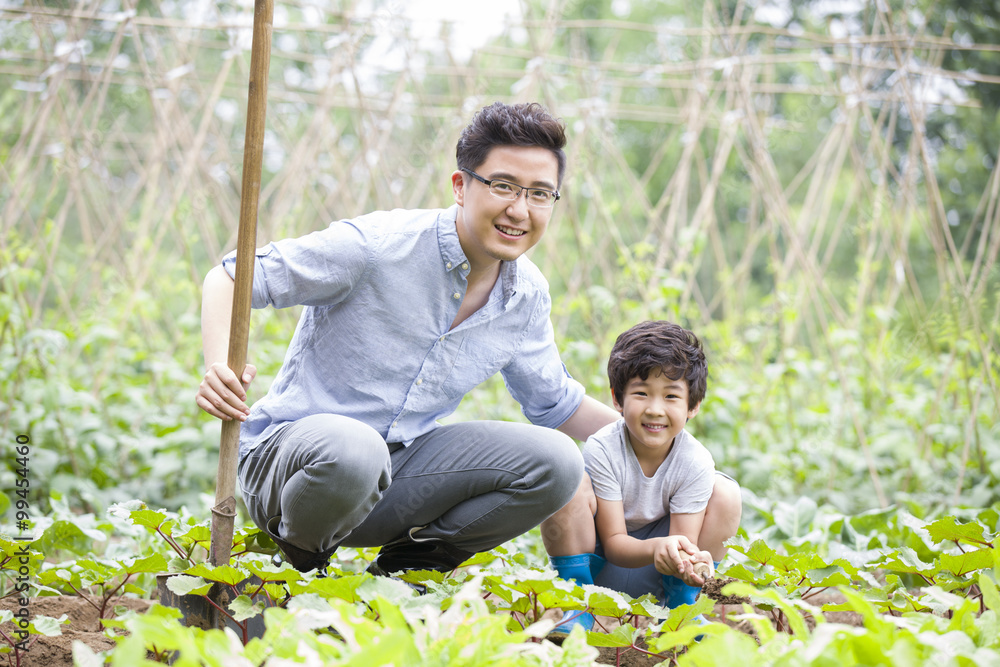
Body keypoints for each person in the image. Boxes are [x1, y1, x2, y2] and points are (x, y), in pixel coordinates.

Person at [195, 101, 622, 575]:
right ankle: (300, 566)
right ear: (461, 186)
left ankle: (405, 576)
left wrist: (668, 446)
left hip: (394, 479)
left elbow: (557, 405)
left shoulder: (524, 296)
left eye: (540, 194)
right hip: (293, 475)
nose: (519, 210)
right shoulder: (376, 247)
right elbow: (231, 277)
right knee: (354, 450)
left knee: (559, 461)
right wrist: (218, 365)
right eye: (503, 186)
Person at [540, 321, 742, 636]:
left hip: (660, 574)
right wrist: (658, 547)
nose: (655, 409)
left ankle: (680, 609)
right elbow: (616, 544)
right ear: (618, 400)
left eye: (671, 396)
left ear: (694, 405)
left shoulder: (695, 460)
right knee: (567, 478)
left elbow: (683, 545)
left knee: (726, 493)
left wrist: (690, 561)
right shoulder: (604, 448)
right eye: (641, 393)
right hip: (602, 565)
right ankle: (576, 604)